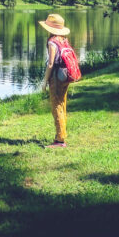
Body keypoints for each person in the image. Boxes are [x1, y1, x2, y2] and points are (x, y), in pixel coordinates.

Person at [39, 13, 72, 148]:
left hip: (57, 76)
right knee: (62, 104)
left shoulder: (52, 42)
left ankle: (59, 140)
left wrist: (45, 81)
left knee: (56, 106)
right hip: (66, 74)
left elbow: (51, 63)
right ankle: (62, 135)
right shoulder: (63, 39)